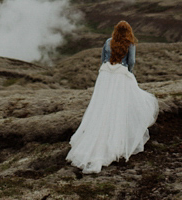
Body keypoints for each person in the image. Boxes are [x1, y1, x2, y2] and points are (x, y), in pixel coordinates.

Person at [66, 21, 159, 174]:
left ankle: (90, 141)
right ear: (128, 31)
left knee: (101, 106)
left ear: (115, 30)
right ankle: (114, 142)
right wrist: (125, 72)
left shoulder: (108, 42)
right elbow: (131, 62)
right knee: (116, 107)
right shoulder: (130, 44)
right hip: (119, 77)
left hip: (105, 76)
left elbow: (103, 58)